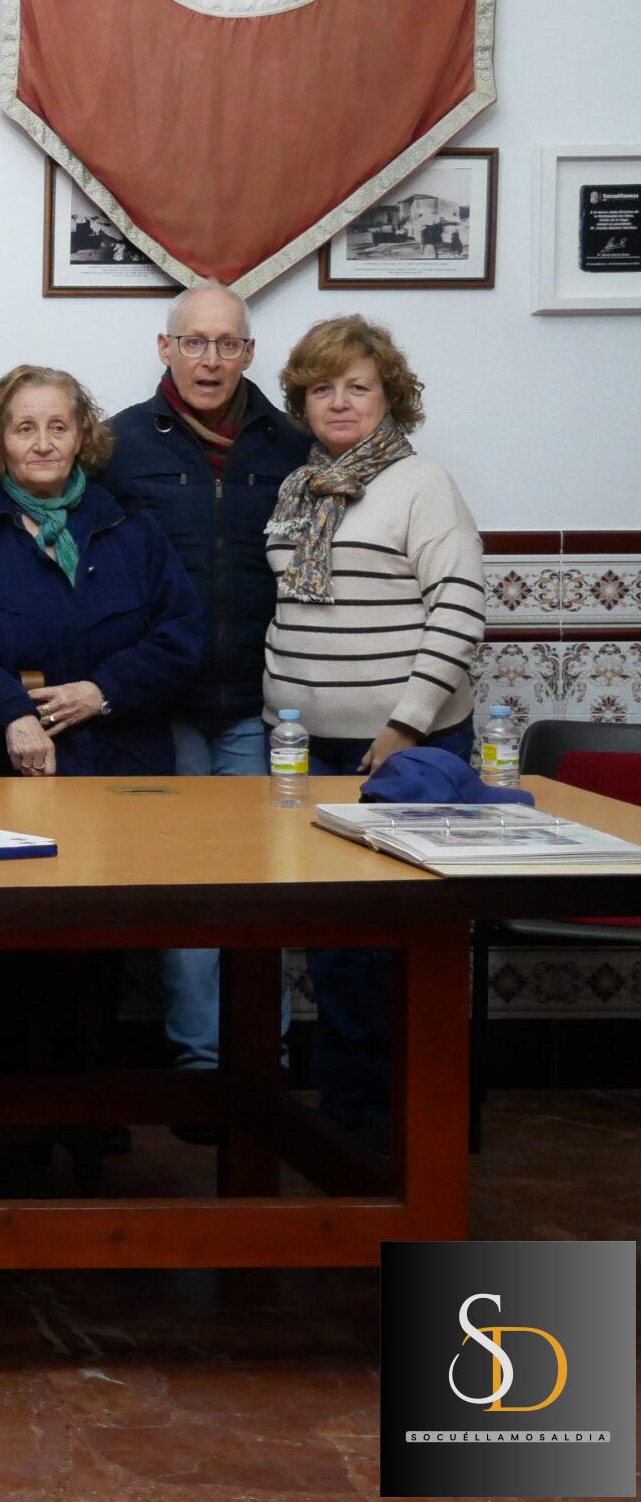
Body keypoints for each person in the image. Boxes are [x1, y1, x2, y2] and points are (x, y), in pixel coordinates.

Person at [264, 316, 486, 1137]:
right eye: (323, 388)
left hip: (405, 750)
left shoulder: (421, 483)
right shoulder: (298, 489)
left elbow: (459, 609)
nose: (340, 402)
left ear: (390, 394)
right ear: (301, 402)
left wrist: (405, 725)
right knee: (333, 946)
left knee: (399, 949)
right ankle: (353, 1124)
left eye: (358, 385)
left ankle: (411, 1132)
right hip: (305, 751)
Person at [100, 285, 306, 1081]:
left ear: (250, 355)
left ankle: (265, 1059)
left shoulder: (290, 446)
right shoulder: (120, 446)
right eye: (194, 342)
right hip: (163, 707)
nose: (209, 360)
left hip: (261, 707)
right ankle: (197, 1061)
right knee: (188, 891)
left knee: (261, 888)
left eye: (226, 344)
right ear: (165, 348)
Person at [0, 365, 203, 777]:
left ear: (81, 437)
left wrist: (101, 692)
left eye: (58, 428)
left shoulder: (131, 528)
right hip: (1, 764)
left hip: (124, 764)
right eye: (25, 429)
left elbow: (181, 636)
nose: (43, 445)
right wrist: (12, 712)